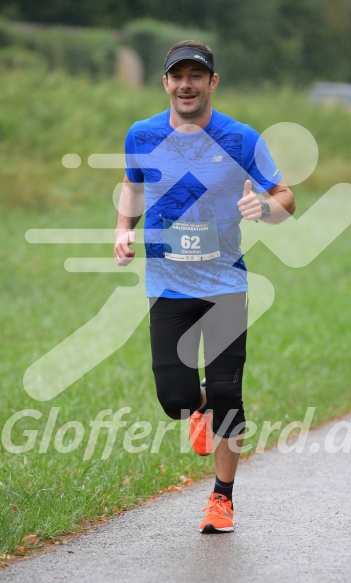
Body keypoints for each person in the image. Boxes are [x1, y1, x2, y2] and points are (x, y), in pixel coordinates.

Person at [114, 40, 295, 533]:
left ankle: (222, 498)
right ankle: (200, 410)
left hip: (224, 286)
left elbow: (285, 197)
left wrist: (266, 209)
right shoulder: (143, 134)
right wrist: (123, 228)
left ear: (213, 83)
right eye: (178, 76)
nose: (187, 85)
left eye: (197, 76)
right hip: (167, 285)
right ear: (166, 82)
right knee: (175, 396)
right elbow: (132, 185)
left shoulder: (240, 138)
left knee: (226, 391)